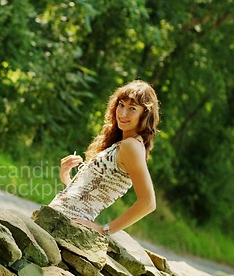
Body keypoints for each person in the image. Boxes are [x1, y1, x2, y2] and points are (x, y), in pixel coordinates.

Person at [49, 80, 160, 236]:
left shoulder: (131, 146)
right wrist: (66, 177)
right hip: (59, 218)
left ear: (145, 114)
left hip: (65, 226)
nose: (122, 114)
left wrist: (104, 230)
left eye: (132, 109)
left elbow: (148, 202)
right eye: (121, 105)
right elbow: (88, 199)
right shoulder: (123, 144)